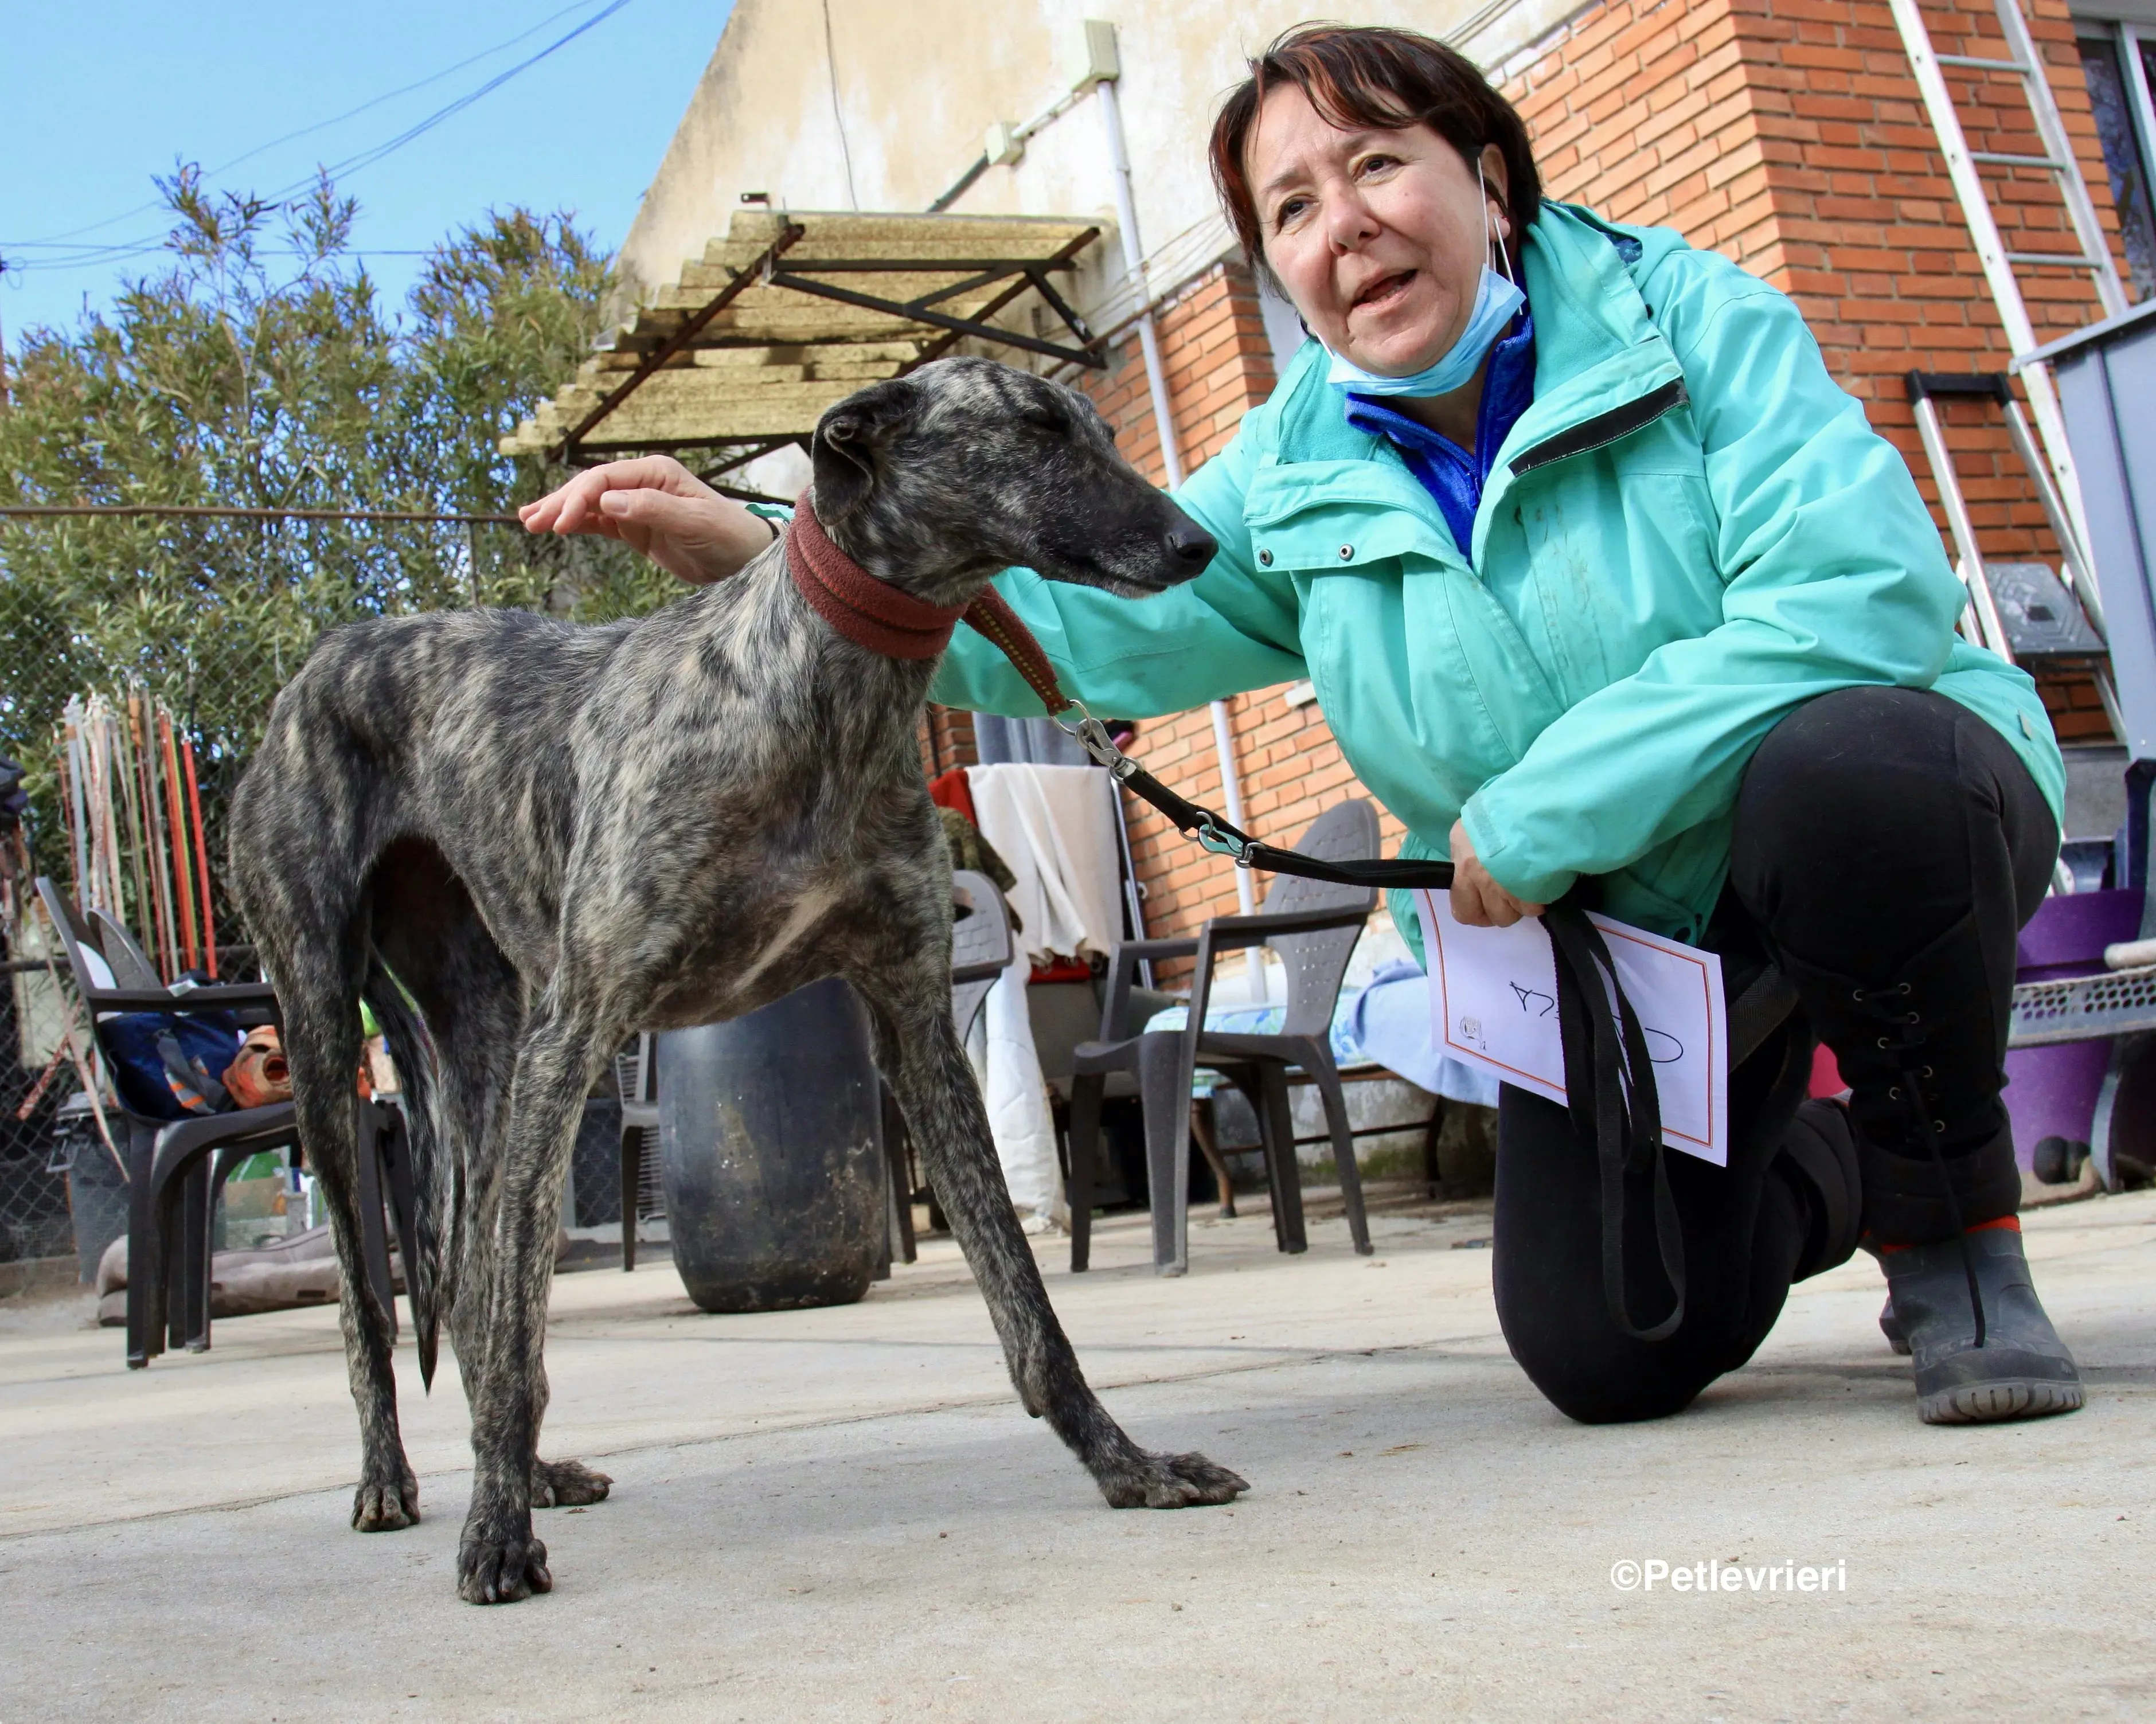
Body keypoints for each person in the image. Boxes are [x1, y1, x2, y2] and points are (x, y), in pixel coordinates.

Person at [522, 24, 2083, 1428]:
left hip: (1862, 827)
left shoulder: (1686, 317)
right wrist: (775, 553)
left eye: (1378, 166)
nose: (1346, 228)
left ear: (1484, 179)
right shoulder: (1293, 468)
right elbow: (1080, 628)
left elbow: (1852, 599)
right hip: (1626, 947)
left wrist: (1544, 811)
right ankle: (1833, 1174)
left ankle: (1955, 1241)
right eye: (1291, 211)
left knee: (1855, 772)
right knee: (1601, 1351)